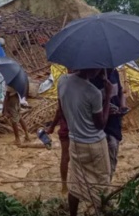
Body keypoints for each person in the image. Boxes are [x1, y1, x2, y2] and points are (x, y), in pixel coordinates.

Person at [58, 69, 112, 216]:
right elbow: (101, 124)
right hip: (95, 145)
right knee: (102, 184)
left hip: (75, 142)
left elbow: (62, 109)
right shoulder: (93, 93)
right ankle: (101, 211)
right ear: (93, 68)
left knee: (76, 183)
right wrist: (107, 97)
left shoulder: (62, 81)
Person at [90, 69, 125, 181]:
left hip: (114, 124)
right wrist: (105, 109)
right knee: (100, 162)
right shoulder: (91, 79)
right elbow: (88, 105)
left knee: (112, 155)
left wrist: (122, 107)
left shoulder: (114, 73)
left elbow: (120, 92)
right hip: (98, 127)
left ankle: (106, 186)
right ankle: (102, 188)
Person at [46, 100, 70, 196]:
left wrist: (52, 127)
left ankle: (64, 185)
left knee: (65, 156)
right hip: (79, 128)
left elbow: (59, 111)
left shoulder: (62, 88)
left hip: (66, 128)